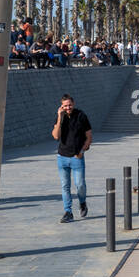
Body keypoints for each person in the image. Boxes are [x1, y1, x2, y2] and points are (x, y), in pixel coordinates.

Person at [51, 94, 92, 223]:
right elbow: (55, 136)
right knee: (65, 186)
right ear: (61, 106)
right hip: (62, 157)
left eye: (69, 105)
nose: (68, 107)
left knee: (80, 185)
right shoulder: (60, 117)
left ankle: (82, 202)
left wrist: (82, 150)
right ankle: (68, 211)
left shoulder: (81, 115)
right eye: (65, 106)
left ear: (73, 104)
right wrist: (59, 117)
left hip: (76, 157)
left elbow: (89, 136)